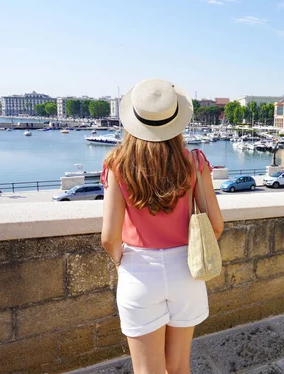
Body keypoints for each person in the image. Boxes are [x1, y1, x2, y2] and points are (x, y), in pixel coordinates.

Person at [101, 78, 224, 374]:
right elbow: (216, 226)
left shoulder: (117, 164)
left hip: (138, 271)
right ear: (175, 118)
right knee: (179, 367)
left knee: (148, 370)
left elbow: (109, 238)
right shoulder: (193, 162)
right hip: (186, 271)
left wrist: (125, 264)